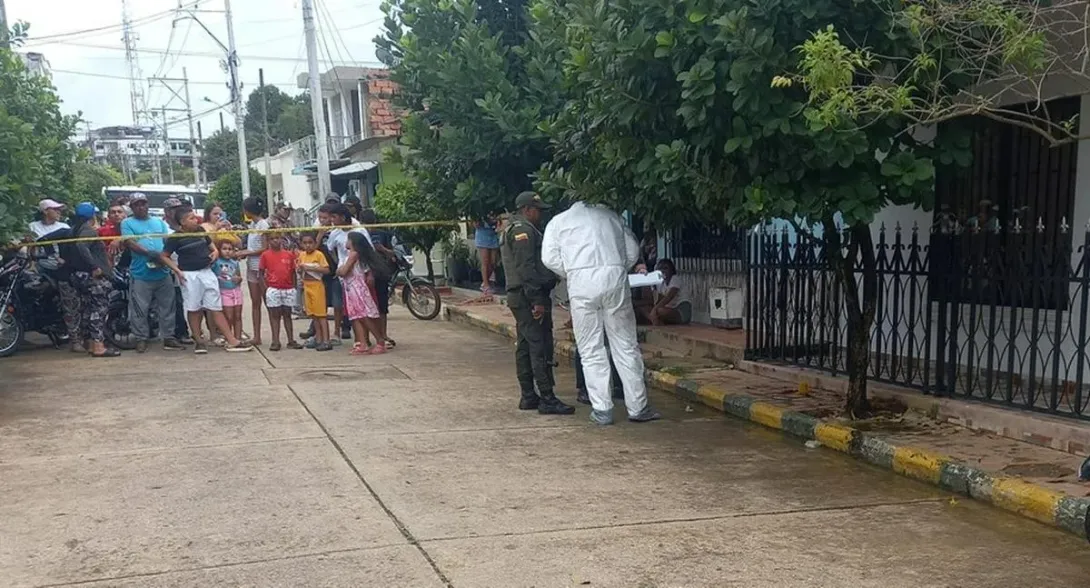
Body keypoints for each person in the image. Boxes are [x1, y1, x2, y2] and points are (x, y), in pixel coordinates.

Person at [542, 200, 661, 425]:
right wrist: (617, 267)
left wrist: (572, 271)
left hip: (581, 284)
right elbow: (632, 250)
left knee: (591, 348)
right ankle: (638, 407)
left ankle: (602, 409)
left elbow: (549, 258)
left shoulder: (559, 222)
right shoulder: (613, 216)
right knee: (625, 345)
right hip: (614, 279)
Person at [500, 192, 574, 415]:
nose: (540, 214)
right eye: (537, 210)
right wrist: (537, 300)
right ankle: (547, 398)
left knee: (525, 345)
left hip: (520, 296)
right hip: (527, 296)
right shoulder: (523, 231)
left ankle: (528, 396)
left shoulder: (514, 228)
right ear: (526, 210)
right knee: (539, 346)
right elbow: (526, 269)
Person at [159, 208, 253, 354]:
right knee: (194, 308)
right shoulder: (175, 237)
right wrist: (177, 270)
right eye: (190, 218)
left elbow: (212, 246)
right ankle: (199, 341)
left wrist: (215, 252)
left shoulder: (201, 231)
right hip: (190, 275)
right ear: (182, 222)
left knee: (215, 307)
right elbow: (164, 256)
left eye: (195, 217)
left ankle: (232, 340)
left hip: (207, 272)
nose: (195, 220)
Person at [121, 193, 185, 352]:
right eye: (137, 205)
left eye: (143, 204)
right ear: (132, 207)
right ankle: (141, 338)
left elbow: (166, 242)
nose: (141, 207)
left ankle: (168, 337)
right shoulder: (127, 223)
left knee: (168, 306)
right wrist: (150, 253)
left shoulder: (158, 222)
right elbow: (130, 243)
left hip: (162, 271)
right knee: (139, 307)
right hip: (140, 273)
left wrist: (164, 256)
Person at [64, 203, 119, 357]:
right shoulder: (88, 230)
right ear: (93, 216)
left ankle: (90, 343)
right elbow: (83, 246)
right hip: (92, 277)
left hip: (78, 276)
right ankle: (98, 346)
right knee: (98, 310)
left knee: (87, 310)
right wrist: (94, 266)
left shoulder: (73, 230)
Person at [337, 231, 384, 355]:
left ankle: (380, 341)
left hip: (356, 288)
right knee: (356, 316)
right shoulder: (351, 255)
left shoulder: (354, 255)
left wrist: (340, 270)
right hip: (350, 288)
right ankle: (362, 343)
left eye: (348, 239)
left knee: (364, 316)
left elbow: (343, 271)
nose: (346, 242)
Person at [234, 197, 270, 347]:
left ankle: (275, 334)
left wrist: (246, 252)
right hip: (251, 267)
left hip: (261, 267)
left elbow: (265, 248)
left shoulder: (263, 225)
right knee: (256, 302)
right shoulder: (253, 225)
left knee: (269, 302)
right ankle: (256, 336)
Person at [359, 208, 396, 348]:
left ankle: (383, 334)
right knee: (366, 306)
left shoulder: (383, 234)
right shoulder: (359, 235)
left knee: (381, 305)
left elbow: (392, 252)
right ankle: (366, 338)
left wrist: (382, 249)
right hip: (365, 274)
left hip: (381, 273)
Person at [259, 234, 302, 351]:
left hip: (288, 288)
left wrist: (293, 286)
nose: (275, 241)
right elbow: (261, 272)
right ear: (268, 241)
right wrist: (265, 288)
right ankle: (275, 341)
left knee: (287, 314)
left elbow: (293, 272)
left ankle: (291, 340)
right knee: (275, 315)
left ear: (281, 240)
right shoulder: (265, 255)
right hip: (273, 288)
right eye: (272, 238)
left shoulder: (289, 254)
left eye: (277, 238)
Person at [161, 197, 194, 345]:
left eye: (178, 208)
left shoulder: (185, 226)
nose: (176, 211)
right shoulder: (163, 227)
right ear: (167, 211)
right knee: (174, 302)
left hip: (186, 267)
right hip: (170, 268)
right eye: (173, 209)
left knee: (185, 301)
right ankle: (177, 332)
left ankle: (185, 331)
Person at [297, 232, 332, 351]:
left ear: (315, 243)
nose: (308, 246)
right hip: (307, 286)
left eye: (310, 243)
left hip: (317, 286)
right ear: (301, 244)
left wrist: (311, 267)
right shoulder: (302, 255)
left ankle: (326, 340)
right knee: (314, 315)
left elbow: (326, 270)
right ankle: (318, 339)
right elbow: (299, 269)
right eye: (305, 243)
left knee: (321, 315)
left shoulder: (319, 255)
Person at [637, 258, 691, 326]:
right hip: (668, 309)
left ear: (671, 270)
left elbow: (669, 297)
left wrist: (654, 309)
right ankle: (655, 320)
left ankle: (656, 321)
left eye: (665, 268)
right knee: (643, 309)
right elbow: (659, 300)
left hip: (680, 311)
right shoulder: (660, 283)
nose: (663, 271)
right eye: (660, 269)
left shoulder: (675, 279)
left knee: (659, 311)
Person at [212, 240, 244, 344]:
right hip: (223, 291)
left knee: (238, 316)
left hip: (236, 291)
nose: (227, 252)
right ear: (219, 250)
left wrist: (238, 279)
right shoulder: (216, 263)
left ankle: (238, 338)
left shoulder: (235, 263)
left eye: (230, 249)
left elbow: (239, 277)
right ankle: (229, 338)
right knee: (228, 316)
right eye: (224, 249)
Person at [475, 215, 501, 298]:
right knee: (485, 261)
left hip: (493, 235)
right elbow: (475, 224)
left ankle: (486, 281)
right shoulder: (478, 212)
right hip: (482, 235)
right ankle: (486, 285)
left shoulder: (494, 211)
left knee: (493, 262)